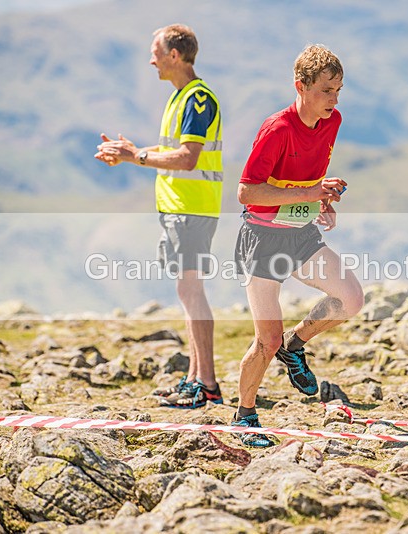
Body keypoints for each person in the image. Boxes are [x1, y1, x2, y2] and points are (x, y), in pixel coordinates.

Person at [232, 44, 364, 447]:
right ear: (301, 87)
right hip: (263, 238)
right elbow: (246, 192)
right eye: (326, 90)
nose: (334, 100)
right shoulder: (277, 128)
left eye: (339, 90)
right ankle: (244, 415)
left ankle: (297, 344)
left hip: (301, 233)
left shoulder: (332, 120)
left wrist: (321, 200)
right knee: (264, 341)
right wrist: (310, 192)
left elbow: (308, 177)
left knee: (351, 300)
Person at [95, 24, 223, 409]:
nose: (151, 60)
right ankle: (194, 378)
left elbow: (187, 157)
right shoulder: (180, 97)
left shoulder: (198, 99)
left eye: (156, 51)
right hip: (178, 210)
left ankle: (209, 385)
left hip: (192, 209)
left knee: (191, 292)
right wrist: (131, 150)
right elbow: (171, 149)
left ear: (174, 55)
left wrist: (137, 157)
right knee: (187, 293)